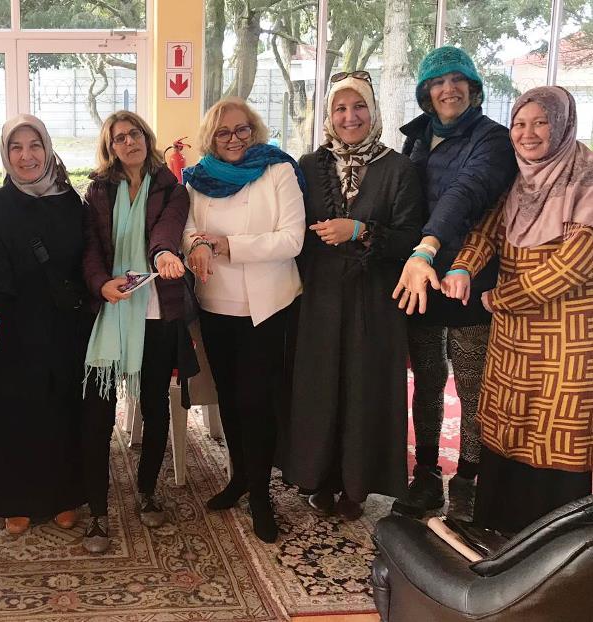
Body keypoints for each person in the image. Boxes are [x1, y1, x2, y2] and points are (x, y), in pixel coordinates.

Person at [440, 86, 593, 534]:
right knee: (509, 423)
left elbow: (576, 266)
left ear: (562, 124)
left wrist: (502, 298)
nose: (528, 134)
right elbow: (488, 231)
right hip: (513, 337)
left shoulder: (585, 179)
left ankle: (556, 545)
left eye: (540, 122)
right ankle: (499, 527)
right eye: (519, 124)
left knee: (557, 430)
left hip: (567, 335)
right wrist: (464, 267)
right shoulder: (521, 181)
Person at [284, 72, 424, 519]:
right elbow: (292, 229)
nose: (350, 117)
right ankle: (319, 477)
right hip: (320, 297)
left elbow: (410, 238)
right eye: (340, 109)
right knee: (320, 385)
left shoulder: (398, 168)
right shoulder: (308, 166)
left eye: (359, 107)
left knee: (364, 387)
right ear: (328, 115)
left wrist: (360, 230)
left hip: (374, 299)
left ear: (373, 111)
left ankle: (356, 486)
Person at [390, 47, 517, 521]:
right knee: (425, 380)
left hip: (469, 277)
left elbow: (468, 191)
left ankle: (468, 479)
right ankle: (425, 475)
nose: (449, 89)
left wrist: (426, 248)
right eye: (438, 81)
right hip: (418, 281)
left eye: (458, 80)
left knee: (471, 384)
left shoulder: (494, 139)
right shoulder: (417, 138)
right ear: (426, 92)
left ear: (474, 88)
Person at [182, 97, 305, 543]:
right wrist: (196, 243)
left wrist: (230, 245)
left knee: (257, 402)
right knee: (229, 399)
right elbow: (188, 227)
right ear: (210, 139)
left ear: (254, 130)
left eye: (241, 129)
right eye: (223, 132)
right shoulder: (198, 179)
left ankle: (260, 494)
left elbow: (292, 239)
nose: (234, 139)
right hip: (216, 303)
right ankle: (238, 478)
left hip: (267, 307)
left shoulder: (279, 171)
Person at [0, 114, 90, 535]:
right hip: (15, 324)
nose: (26, 156)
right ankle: (13, 498)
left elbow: (84, 261)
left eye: (34, 145)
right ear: (6, 153)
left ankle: (63, 495)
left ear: (48, 149)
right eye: (16, 147)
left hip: (65, 324)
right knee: (15, 410)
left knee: (62, 407)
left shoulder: (71, 201)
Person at [79, 111, 193, 553]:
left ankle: (147, 491)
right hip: (110, 311)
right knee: (97, 416)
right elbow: (90, 247)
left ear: (147, 137)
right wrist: (99, 284)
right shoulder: (98, 192)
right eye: (119, 138)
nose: (129, 142)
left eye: (135, 134)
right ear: (110, 148)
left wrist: (163, 253)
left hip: (155, 313)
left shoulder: (171, 187)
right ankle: (97, 511)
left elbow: (166, 229)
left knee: (154, 408)